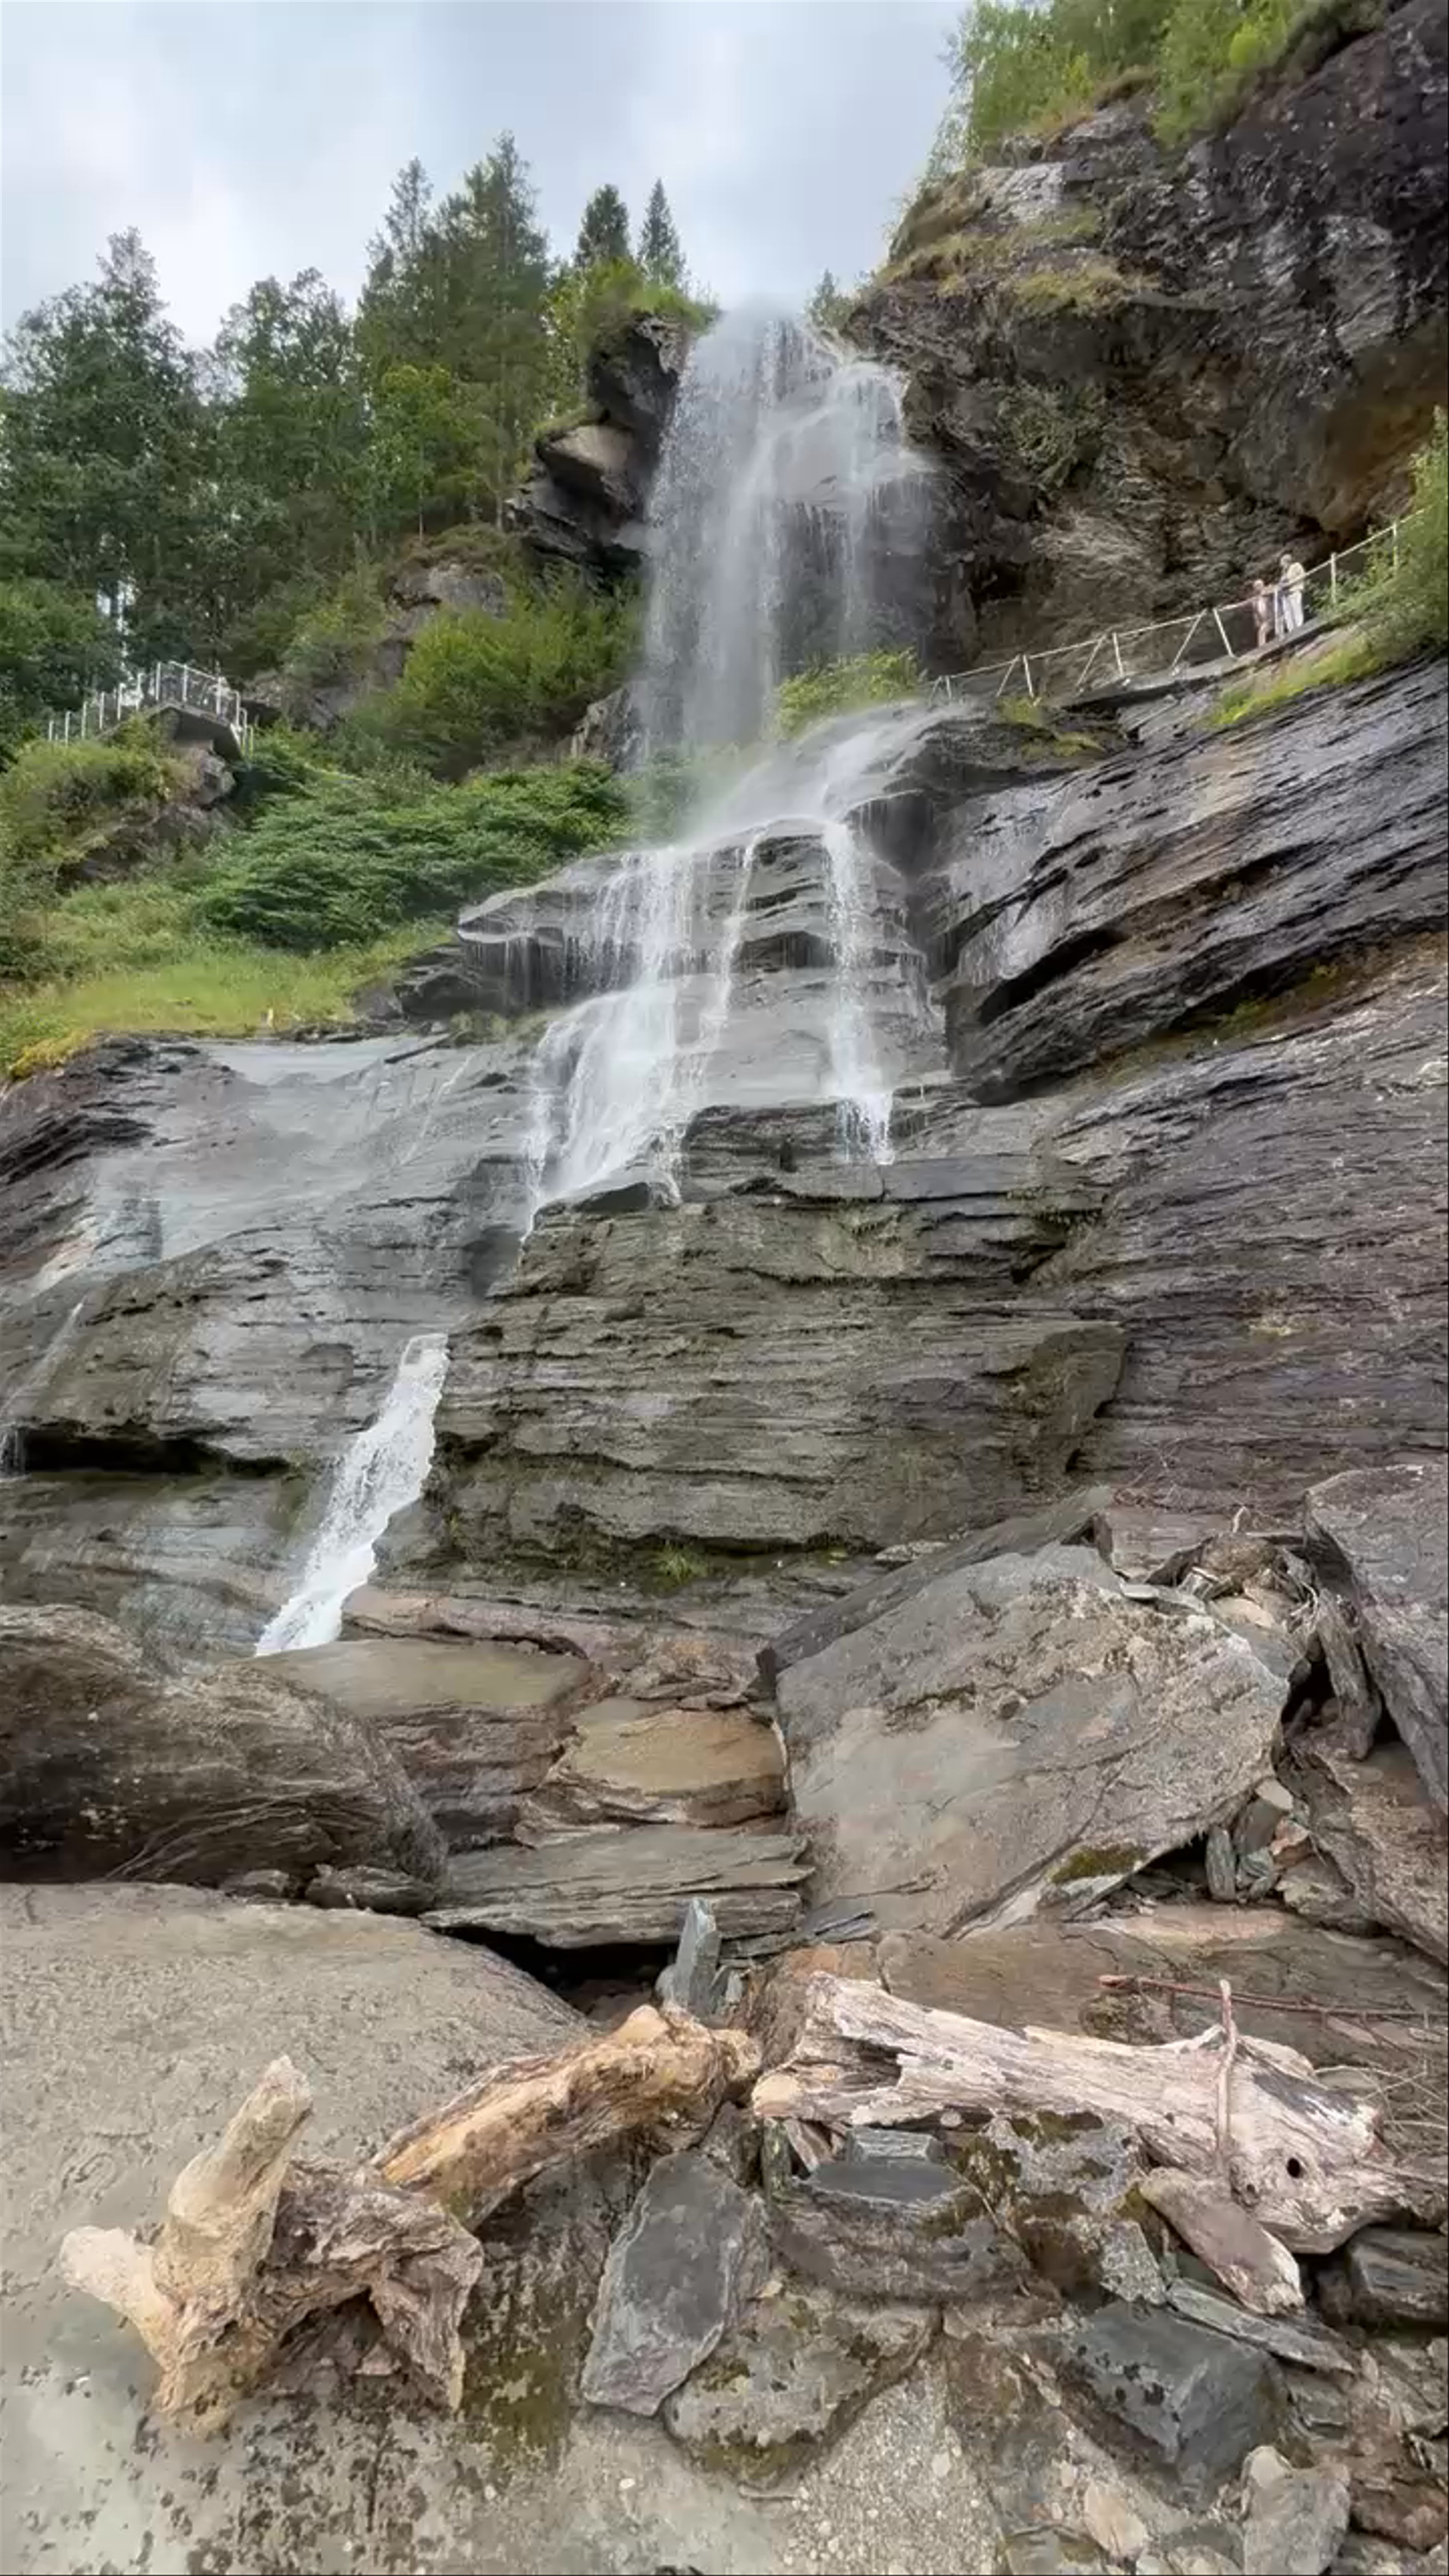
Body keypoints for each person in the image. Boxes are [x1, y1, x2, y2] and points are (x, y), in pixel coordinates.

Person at [1279, 552, 1307, 634]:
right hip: (1286, 595)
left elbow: (1303, 575)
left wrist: (1290, 583)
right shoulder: (1284, 572)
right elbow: (1282, 583)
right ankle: (1291, 631)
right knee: (1288, 613)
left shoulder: (1296, 566)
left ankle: (1300, 628)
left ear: (1287, 561)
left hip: (1295, 591)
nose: (1282, 565)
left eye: (1283, 563)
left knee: (1297, 610)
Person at [1251, 577, 1272, 649]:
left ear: (1263, 585)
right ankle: (1263, 650)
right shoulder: (1255, 599)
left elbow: (1272, 591)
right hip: (1265, 621)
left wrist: (1268, 590)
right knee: (1261, 632)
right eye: (1256, 586)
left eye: (1259, 585)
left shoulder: (1268, 592)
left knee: (1262, 631)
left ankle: (1263, 650)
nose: (1258, 588)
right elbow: (1255, 613)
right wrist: (1258, 621)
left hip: (1273, 618)